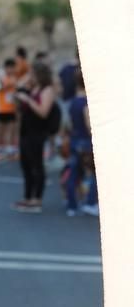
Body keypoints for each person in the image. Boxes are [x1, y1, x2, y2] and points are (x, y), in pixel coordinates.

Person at [13, 62, 56, 213]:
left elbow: (43, 112)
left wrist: (28, 100)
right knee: (25, 165)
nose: (30, 76)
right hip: (26, 130)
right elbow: (17, 89)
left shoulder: (47, 90)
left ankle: (37, 199)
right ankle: (28, 197)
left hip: (38, 132)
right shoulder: (33, 88)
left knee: (36, 165)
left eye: (32, 74)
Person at [63, 70, 98, 216]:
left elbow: (68, 124)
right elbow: (89, 125)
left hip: (75, 139)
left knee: (74, 172)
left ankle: (71, 204)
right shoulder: (86, 103)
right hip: (85, 141)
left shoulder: (73, 102)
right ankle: (90, 202)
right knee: (95, 173)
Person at [0, 58, 19, 159]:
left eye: (13, 68)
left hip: (11, 107)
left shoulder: (14, 77)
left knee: (11, 129)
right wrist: (8, 84)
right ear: (6, 67)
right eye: (10, 68)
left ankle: (10, 149)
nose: (12, 70)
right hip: (0, 108)